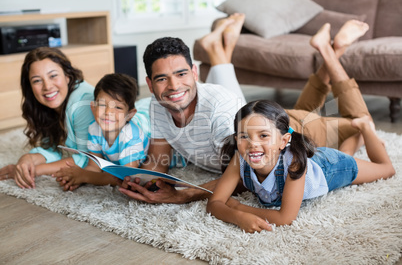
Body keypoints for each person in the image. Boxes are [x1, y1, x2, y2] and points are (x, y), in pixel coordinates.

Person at [119, 16, 373, 204]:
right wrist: (141, 179)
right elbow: (158, 159)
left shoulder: (219, 111)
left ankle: (331, 50)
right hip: (272, 119)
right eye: (162, 79)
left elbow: (246, 174)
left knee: (362, 123)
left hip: (299, 129)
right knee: (305, 108)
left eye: (181, 74)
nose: (173, 86)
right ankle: (333, 48)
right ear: (149, 84)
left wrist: (184, 194)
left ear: (194, 73)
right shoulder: (157, 104)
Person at [206, 99, 395, 233]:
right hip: (317, 161)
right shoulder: (239, 158)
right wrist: (236, 218)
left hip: (331, 168)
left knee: (385, 170)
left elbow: (285, 218)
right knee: (345, 154)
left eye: (263, 135)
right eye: (244, 136)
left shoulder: (294, 163)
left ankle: (366, 128)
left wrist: (239, 208)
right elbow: (214, 204)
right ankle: (357, 136)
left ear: (283, 140)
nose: (252, 144)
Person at [0, 47, 150, 189]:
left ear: (67, 76)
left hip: (143, 121)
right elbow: (54, 148)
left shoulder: (83, 104)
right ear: (30, 86)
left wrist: (35, 170)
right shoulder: (49, 106)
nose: (47, 86)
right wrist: (27, 160)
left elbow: (85, 158)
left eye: (53, 76)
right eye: (37, 80)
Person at [53, 73, 150, 191]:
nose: (108, 112)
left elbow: (126, 177)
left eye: (118, 107)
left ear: (129, 114)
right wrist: (77, 178)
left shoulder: (131, 136)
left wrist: (84, 176)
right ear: (93, 108)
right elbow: (93, 167)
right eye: (103, 105)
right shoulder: (94, 128)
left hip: (147, 128)